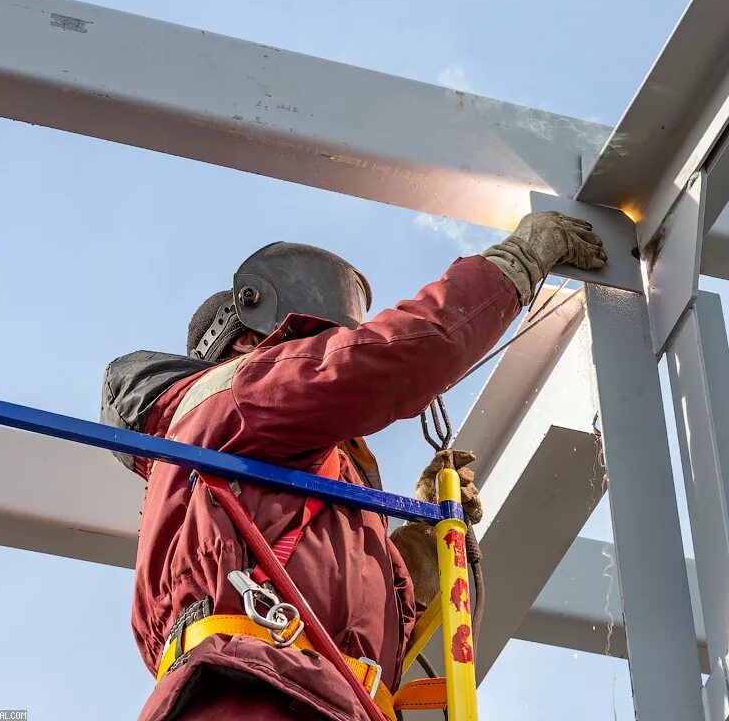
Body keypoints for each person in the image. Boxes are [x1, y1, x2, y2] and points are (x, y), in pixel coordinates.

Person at [100, 211, 607, 720]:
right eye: (309, 340)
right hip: (259, 694)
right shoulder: (237, 395)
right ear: (247, 341)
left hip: (318, 697)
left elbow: (356, 626)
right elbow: (395, 355)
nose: (317, 352)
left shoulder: (254, 474)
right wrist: (514, 264)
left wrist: (424, 541)